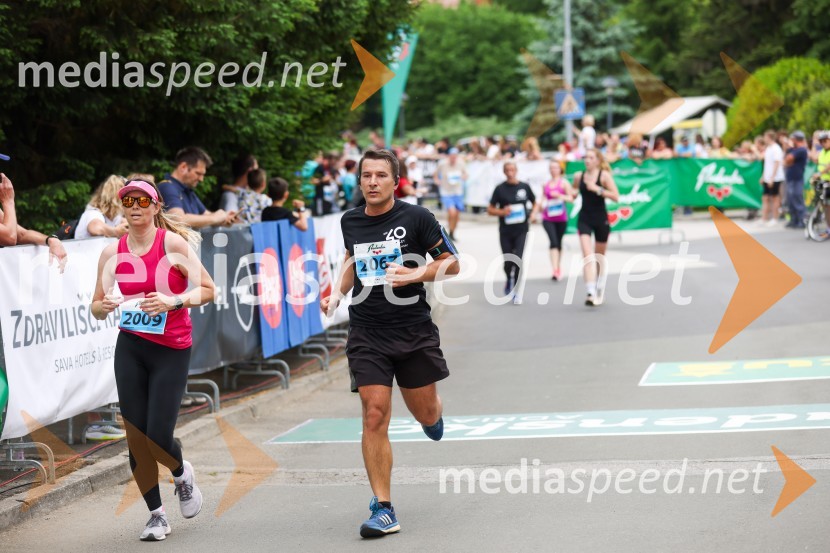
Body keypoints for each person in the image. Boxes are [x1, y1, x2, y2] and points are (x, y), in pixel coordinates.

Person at [320, 148, 459, 539]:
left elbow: (452, 262)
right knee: (374, 413)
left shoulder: (417, 218)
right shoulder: (351, 220)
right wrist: (335, 294)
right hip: (367, 332)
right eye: (366, 176)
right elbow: (350, 261)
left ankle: (433, 416)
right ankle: (383, 507)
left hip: (412, 330)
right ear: (359, 180)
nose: (373, 182)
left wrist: (415, 275)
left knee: (425, 413)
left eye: (381, 175)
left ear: (395, 181)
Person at [91, 179, 215, 541]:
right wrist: (105, 305)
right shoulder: (111, 253)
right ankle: (157, 516)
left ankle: (181, 474)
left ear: (156, 206)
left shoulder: (172, 244)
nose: (135, 207)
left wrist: (174, 301)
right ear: (122, 207)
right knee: (135, 438)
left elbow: (208, 289)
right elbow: (96, 307)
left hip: (171, 349)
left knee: (158, 436)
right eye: (128, 200)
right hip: (130, 346)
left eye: (143, 200)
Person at [487, 161, 538, 305]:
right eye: (507, 170)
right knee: (508, 261)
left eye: (512, 170)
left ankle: (516, 290)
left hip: (522, 229)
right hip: (505, 230)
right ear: (504, 172)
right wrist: (502, 212)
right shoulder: (500, 189)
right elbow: (490, 209)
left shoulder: (524, 187)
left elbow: (535, 202)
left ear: (516, 171)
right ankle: (508, 278)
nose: (510, 173)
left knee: (518, 259)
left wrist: (533, 214)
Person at [574, 149, 619, 306]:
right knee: (587, 255)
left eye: (591, 157)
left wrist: (598, 189)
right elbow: (573, 191)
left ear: (598, 161)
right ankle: (590, 290)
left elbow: (616, 195)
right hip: (584, 218)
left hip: (600, 219)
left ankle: (599, 284)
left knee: (599, 256)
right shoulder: (578, 176)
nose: (587, 160)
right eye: (585, 157)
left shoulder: (604, 176)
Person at [0, 173, 68, 271]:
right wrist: (8, 201)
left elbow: (22, 234)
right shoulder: (7, 201)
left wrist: (51, 240)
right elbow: (10, 237)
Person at [158, 147, 236, 228]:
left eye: (203, 175)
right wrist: (215, 218)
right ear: (183, 167)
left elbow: (206, 215)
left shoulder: (188, 191)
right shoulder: (167, 187)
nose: (201, 179)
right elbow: (178, 219)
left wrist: (225, 218)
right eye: (198, 173)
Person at [542, 161, 576, 281]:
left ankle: (558, 266)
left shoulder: (564, 183)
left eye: (555, 168)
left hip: (561, 218)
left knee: (559, 242)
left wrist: (559, 196)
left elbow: (571, 198)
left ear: (560, 169)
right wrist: (540, 207)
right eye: (551, 168)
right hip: (548, 218)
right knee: (553, 242)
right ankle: (555, 269)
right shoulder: (545, 184)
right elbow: (543, 199)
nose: (553, 170)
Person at [75, 175, 130, 239]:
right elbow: (95, 228)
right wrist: (116, 232)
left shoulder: (114, 217)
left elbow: (128, 224)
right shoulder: (93, 213)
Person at [435, 147, 467, 241]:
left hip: (458, 191)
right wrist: (437, 181)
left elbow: (466, 174)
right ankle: (448, 231)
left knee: (456, 214)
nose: (453, 158)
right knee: (452, 212)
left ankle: (452, 232)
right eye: (452, 156)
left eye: (455, 156)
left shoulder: (461, 163)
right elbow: (435, 174)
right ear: (449, 156)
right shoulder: (442, 163)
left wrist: (463, 177)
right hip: (446, 192)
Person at [784, 131, 809, 229]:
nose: (791, 141)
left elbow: (788, 159)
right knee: (790, 200)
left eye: (793, 139)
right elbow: (786, 160)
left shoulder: (801, 150)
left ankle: (801, 220)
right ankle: (793, 220)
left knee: (797, 198)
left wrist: (788, 161)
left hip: (797, 178)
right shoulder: (792, 149)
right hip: (790, 178)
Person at [760, 130, 784, 226]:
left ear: (769, 137)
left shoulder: (776, 148)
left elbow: (777, 163)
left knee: (775, 198)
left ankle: (775, 218)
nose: (764, 139)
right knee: (765, 197)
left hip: (775, 178)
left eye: (765, 137)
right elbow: (767, 164)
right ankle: (764, 218)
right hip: (767, 177)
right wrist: (763, 176)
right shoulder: (768, 148)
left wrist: (772, 178)